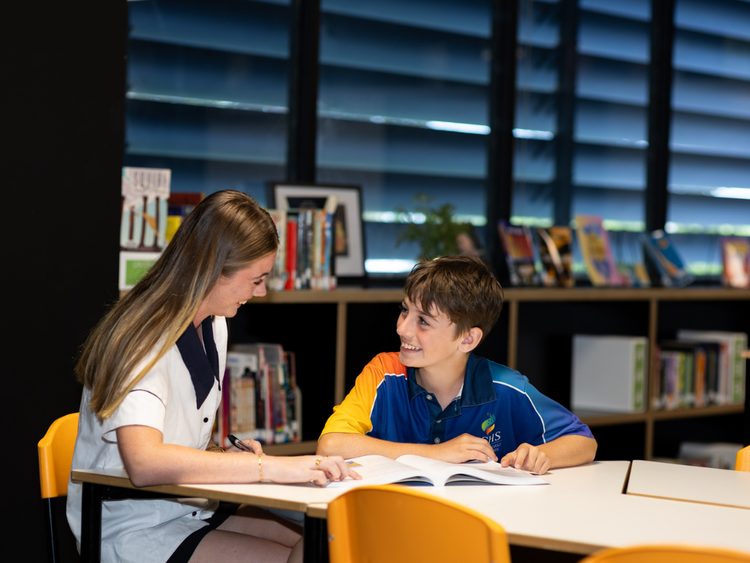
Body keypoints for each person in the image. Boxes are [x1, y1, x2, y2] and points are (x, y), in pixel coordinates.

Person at [67, 190, 359, 563]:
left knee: (332, 540)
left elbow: (174, 436)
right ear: (215, 270)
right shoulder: (143, 338)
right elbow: (144, 463)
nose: (262, 291)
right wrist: (267, 467)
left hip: (185, 506)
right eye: (257, 279)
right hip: (133, 526)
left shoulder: (214, 325)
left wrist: (223, 454)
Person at [317, 254, 597, 474]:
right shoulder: (382, 372)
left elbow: (584, 442)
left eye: (423, 321)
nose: (402, 328)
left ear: (467, 339)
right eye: (404, 311)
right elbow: (330, 445)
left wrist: (542, 455)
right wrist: (437, 454)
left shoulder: (507, 388)